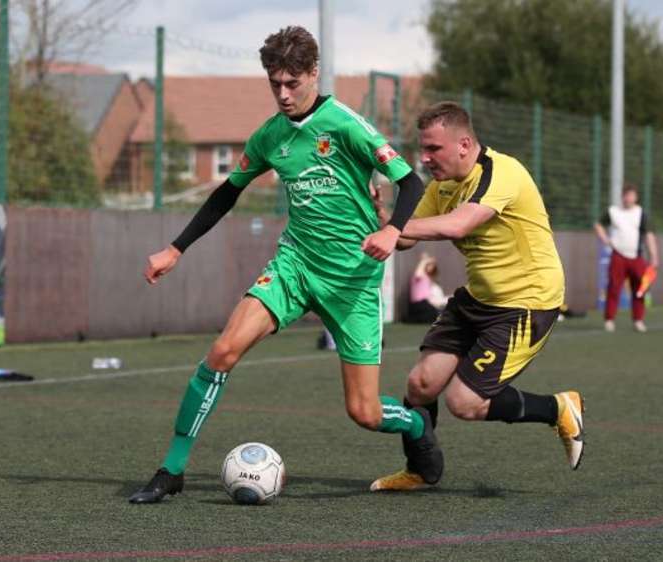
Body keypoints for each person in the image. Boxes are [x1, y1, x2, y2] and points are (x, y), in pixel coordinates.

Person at [129, 26, 443, 503]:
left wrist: (392, 230)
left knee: (363, 411)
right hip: (294, 267)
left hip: (353, 282)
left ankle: (417, 422)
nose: (283, 94)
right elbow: (227, 192)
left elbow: (411, 183)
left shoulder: (346, 125)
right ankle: (172, 469)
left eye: (292, 83)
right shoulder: (270, 136)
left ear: (314, 73)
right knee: (222, 352)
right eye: (274, 83)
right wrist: (176, 248)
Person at [367, 101, 585, 491]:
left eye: (433, 149)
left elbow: (460, 223)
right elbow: (407, 237)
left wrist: (396, 227)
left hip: (526, 303)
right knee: (420, 385)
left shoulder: (503, 172)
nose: (425, 158)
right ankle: (420, 470)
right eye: (423, 149)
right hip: (477, 298)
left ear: (464, 144)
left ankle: (557, 408)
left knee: (464, 403)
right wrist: (385, 220)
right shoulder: (441, 186)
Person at [594, 184, 659, 333]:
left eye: (631, 195)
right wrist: (605, 239)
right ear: (622, 196)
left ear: (636, 197)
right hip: (618, 256)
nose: (629, 198)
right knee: (614, 288)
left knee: (640, 289)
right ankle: (609, 320)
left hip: (636, 257)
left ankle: (638, 320)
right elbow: (598, 225)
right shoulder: (613, 211)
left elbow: (649, 235)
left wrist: (654, 256)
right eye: (626, 194)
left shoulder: (641, 213)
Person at [407, 252, 448, 324]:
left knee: (437, 314)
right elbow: (418, 274)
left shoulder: (428, 278)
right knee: (433, 315)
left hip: (425, 303)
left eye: (432, 265)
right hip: (418, 304)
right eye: (429, 265)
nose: (431, 267)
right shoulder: (420, 275)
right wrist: (425, 260)